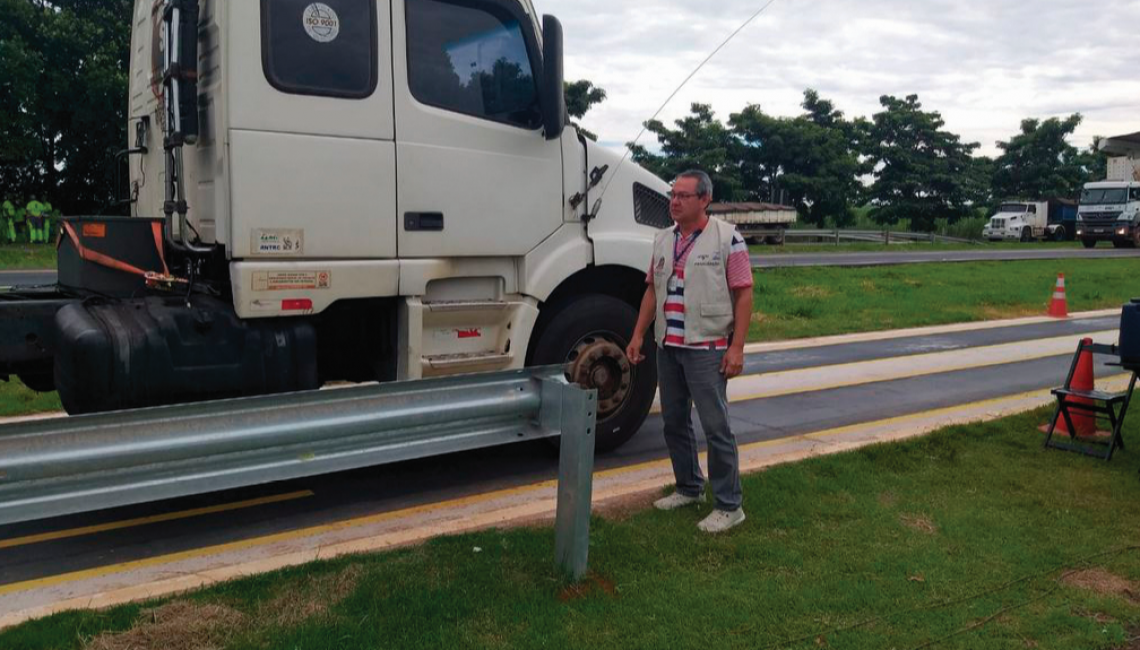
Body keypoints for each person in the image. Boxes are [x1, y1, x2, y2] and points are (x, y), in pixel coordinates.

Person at [626, 169, 754, 533]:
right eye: (673, 195)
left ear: (704, 200)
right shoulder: (663, 239)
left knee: (716, 427)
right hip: (670, 347)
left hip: (708, 348)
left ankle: (730, 505)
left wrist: (737, 348)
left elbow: (744, 293)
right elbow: (652, 290)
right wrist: (638, 335)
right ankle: (688, 487)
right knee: (673, 422)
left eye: (683, 195)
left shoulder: (728, 238)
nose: (674, 201)